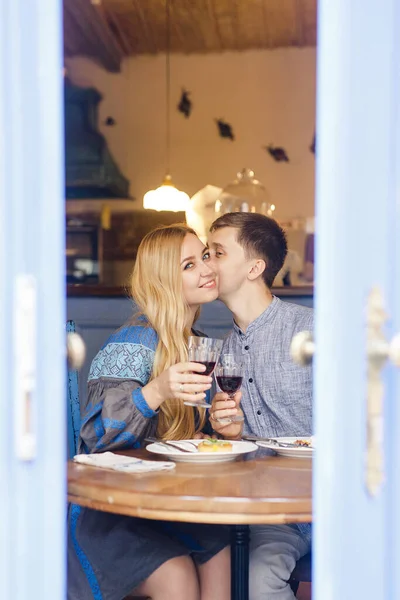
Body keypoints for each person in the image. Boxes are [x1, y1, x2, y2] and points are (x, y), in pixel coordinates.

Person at [68, 224, 230, 600]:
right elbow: (96, 438)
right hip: (110, 514)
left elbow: (182, 437)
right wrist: (156, 390)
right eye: (189, 265)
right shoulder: (135, 340)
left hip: (159, 505)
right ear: (164, 281)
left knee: (222, 545)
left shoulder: (194, 342)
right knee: (177, 576)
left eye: (205, 256)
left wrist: (221, 427)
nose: (207, 269)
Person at [207, 212, 313, 600]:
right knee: (254, 581)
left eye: (217, 253)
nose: (207, 263)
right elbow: (229, 444)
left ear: (255, 267)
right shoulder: (220, 351)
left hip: (334, 498)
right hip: (273, 515)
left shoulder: (311, 332)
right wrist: (232, 433)